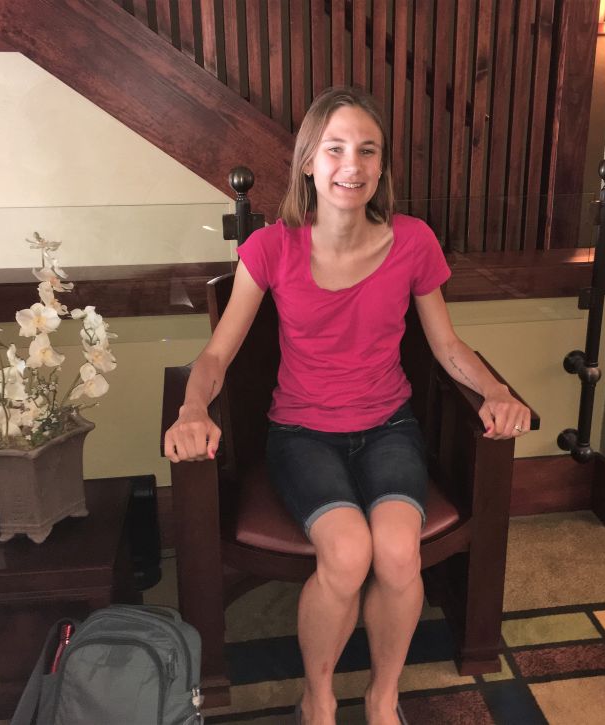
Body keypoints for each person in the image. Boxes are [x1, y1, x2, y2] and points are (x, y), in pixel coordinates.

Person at [164, 86, 530, 725]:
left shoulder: (414, 242)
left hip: (389, 426)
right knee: (347, 552)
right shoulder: (272, 247)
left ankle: (383, 695)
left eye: (367, 151)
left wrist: (497, 393)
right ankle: (319, 695)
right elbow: (217, 357)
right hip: (302, 434)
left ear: (381, 167)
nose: (351, 165)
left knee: (396, 552)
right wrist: (193, 410)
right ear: (309, 160)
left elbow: (446, 347)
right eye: (335, 149)